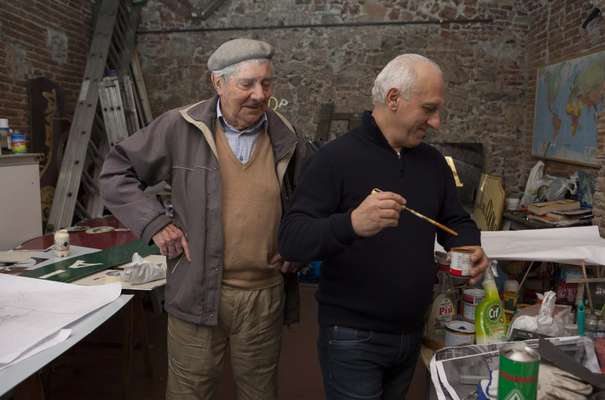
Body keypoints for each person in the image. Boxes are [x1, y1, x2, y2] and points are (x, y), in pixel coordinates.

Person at [100, 38, 309, 400]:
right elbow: (116, 171)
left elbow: (311, 202)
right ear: (218, 83)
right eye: (247, 84)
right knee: (189, 393)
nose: (259, 95)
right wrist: (154, 222)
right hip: (196, 290)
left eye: (267, 83)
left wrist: (299, 245)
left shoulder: (285, 135)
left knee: (259, 393)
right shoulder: (180, 127)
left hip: (263, 296)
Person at [278, 54, 489, 400]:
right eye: (428, 109)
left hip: (410, 333)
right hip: (351, 336)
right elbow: (291, 240)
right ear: (393, 99)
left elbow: (455, 220)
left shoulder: (433, 162)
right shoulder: (334, 159)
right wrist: (352, 223)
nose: (436, 122)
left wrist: (468, 243)